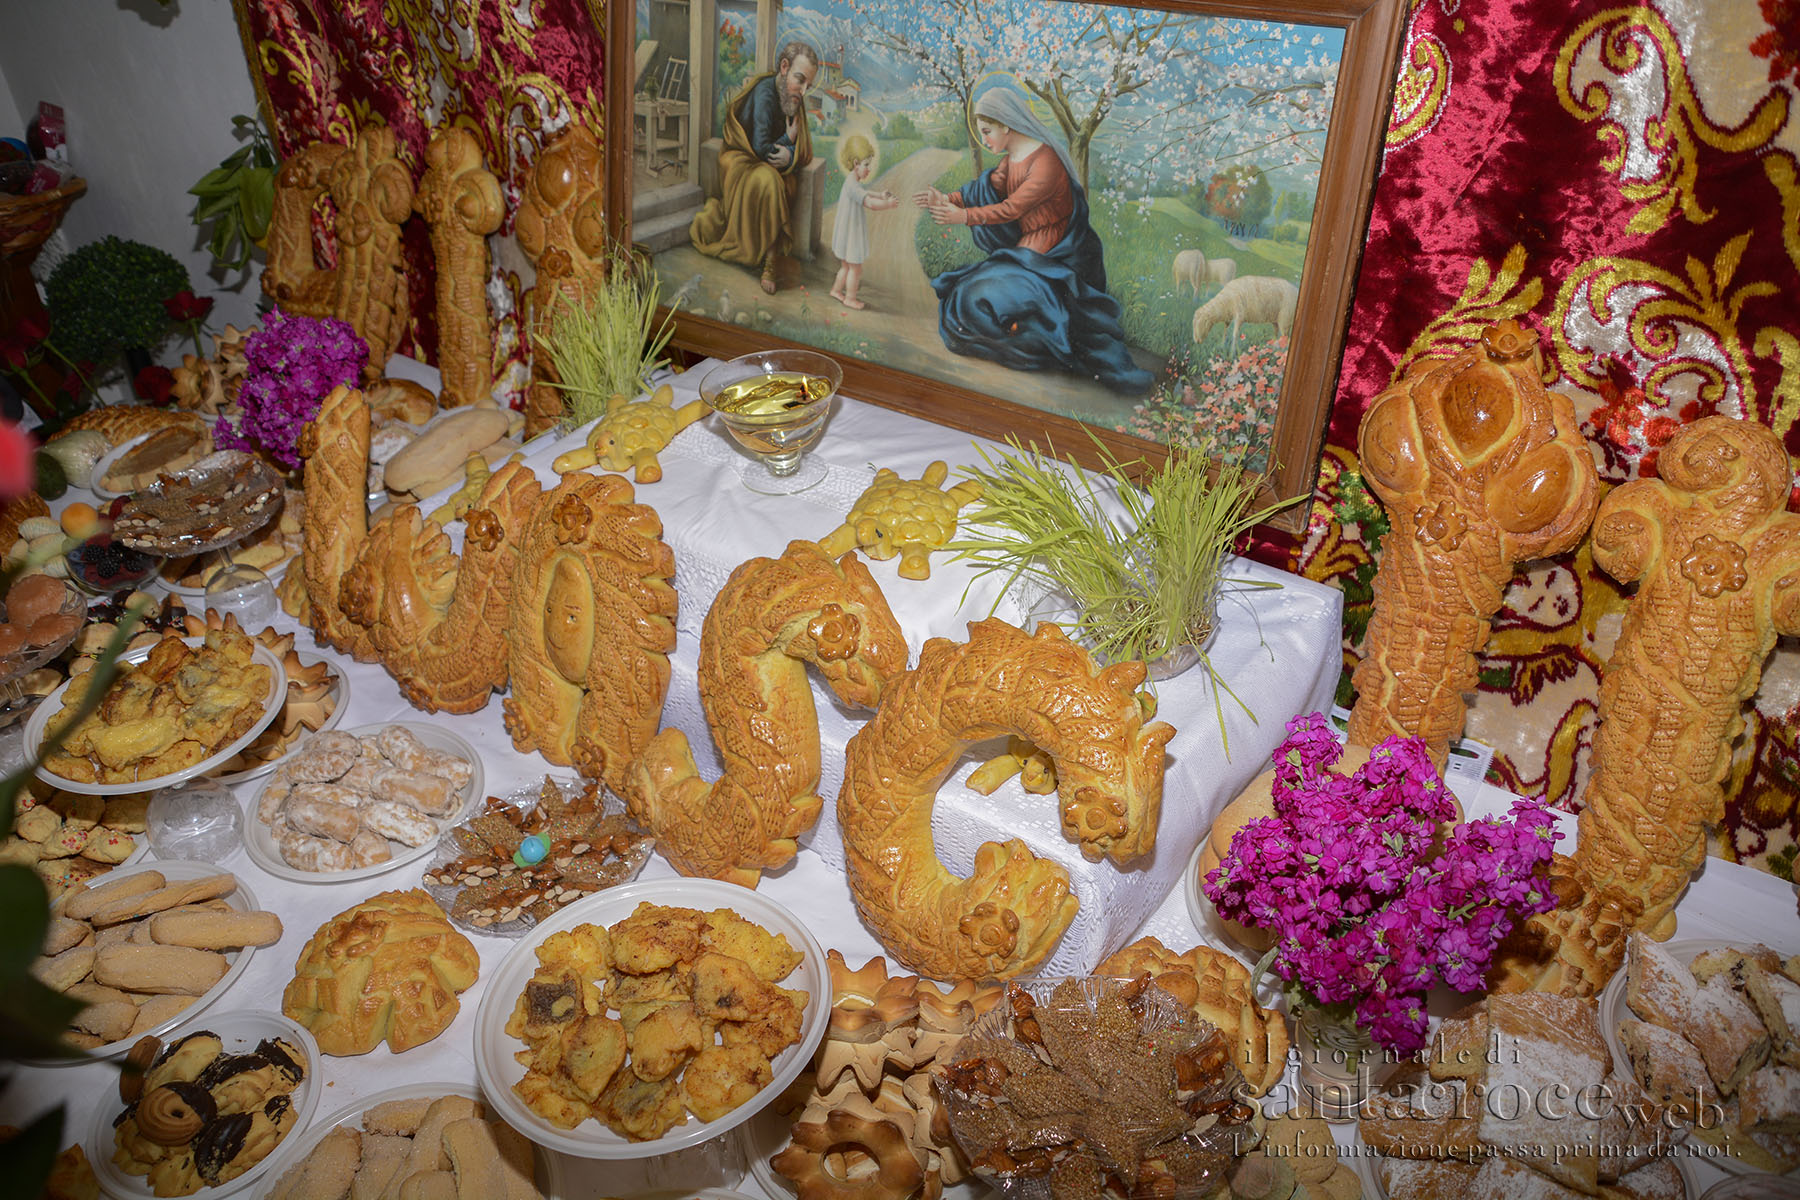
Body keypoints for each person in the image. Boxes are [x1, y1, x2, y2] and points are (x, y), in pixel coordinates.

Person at [913, 82, 1152, 394]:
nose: (984, 139)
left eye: (987, 131)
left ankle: (1044, 345)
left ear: (1007, 126)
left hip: (1056, 259)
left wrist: (964, 216)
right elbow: (985, 191)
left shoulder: (1046, 164)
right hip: (1027, 252)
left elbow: (1012, 208)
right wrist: (946, 198)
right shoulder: (1011, 159)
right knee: (963, 296)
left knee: (979, 295)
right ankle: (1024, 338)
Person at [689, 42, 819, 295]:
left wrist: (789, 153)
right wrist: (786, 143)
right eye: (800, 80)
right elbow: (760, 147)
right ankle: (769, 262)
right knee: (770, 182)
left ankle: (770, 253)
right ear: (784, 67)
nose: (802, 91)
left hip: (766, 164)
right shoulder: (765, 93)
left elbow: (803, 149)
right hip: (741, 160)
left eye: (808, 86)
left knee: (788, 183)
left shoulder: (793, 97)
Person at [830, 134, 897, 310]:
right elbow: (870, 204)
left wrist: (880, 194)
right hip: (851, 234)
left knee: (846, 266)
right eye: (866, 165)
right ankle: (850, 298)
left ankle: (836, 290)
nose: (869, 169)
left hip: (846, 232)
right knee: (855, 268)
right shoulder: (853, 185)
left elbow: (865, 193)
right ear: (855, 164)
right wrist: (887, 204)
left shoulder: (852, 181)